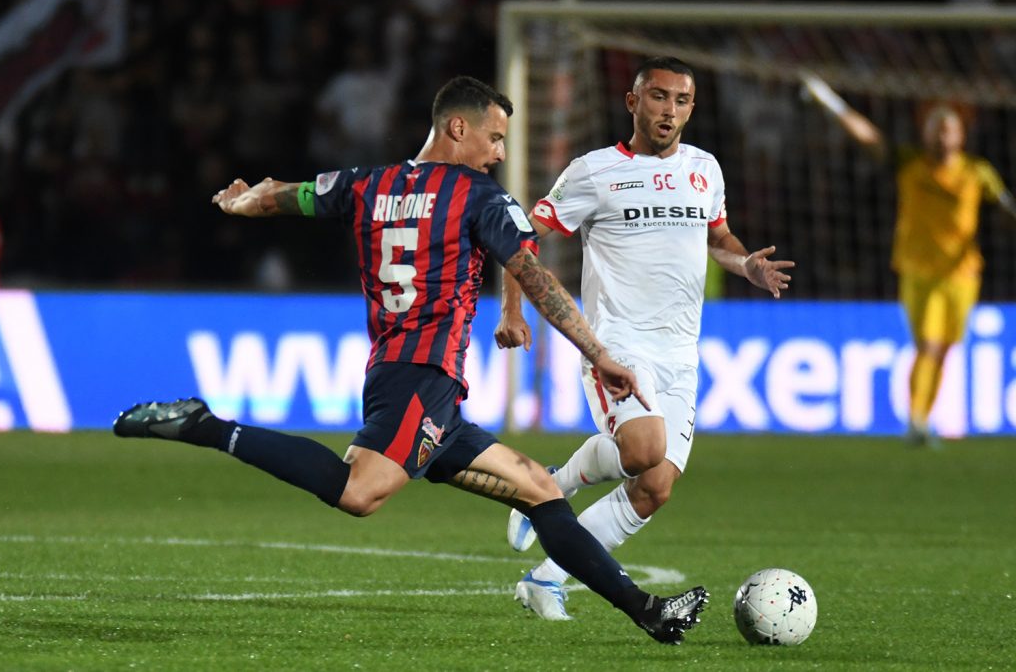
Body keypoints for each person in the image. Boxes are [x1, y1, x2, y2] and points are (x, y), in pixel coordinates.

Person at [112, 76, 709, 645]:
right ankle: (206, 426)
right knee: (359, 492)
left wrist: (247, 201)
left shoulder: (367, 184)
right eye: (494, 137)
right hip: (422, 378)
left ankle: (649, 613)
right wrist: (597, 353)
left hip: (405, 375)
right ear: (457, 128)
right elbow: (536, 277)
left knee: (540, 492)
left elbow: (288, 196)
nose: (500, 153)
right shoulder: (480, 197)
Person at [495, 57, 794, 621]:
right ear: (633, 102)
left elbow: (719, 237)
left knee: (655, 487)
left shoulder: (705, 169)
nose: (669, 111)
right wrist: (513, 309)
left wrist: (747, 265)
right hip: (617, 345)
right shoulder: (594, 171)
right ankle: (551, 487)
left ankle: (546, 576)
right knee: (642, 451)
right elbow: (522, 237)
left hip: (681, 352)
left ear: (692, 108)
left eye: (681, 101)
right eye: (659, 97)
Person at [801, 72, 1016, 447]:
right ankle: (916, 421)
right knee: (928, 345)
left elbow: (1004, 209)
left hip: (963, 273)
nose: (941, 135)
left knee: (944, 349)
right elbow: (868, 137)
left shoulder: (977, 173)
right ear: (925, 134)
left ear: (960, 136)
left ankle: (923, 419)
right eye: (935, 128)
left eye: (948, 129)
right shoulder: (910, 164)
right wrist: (831, 103)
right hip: (919, 271)